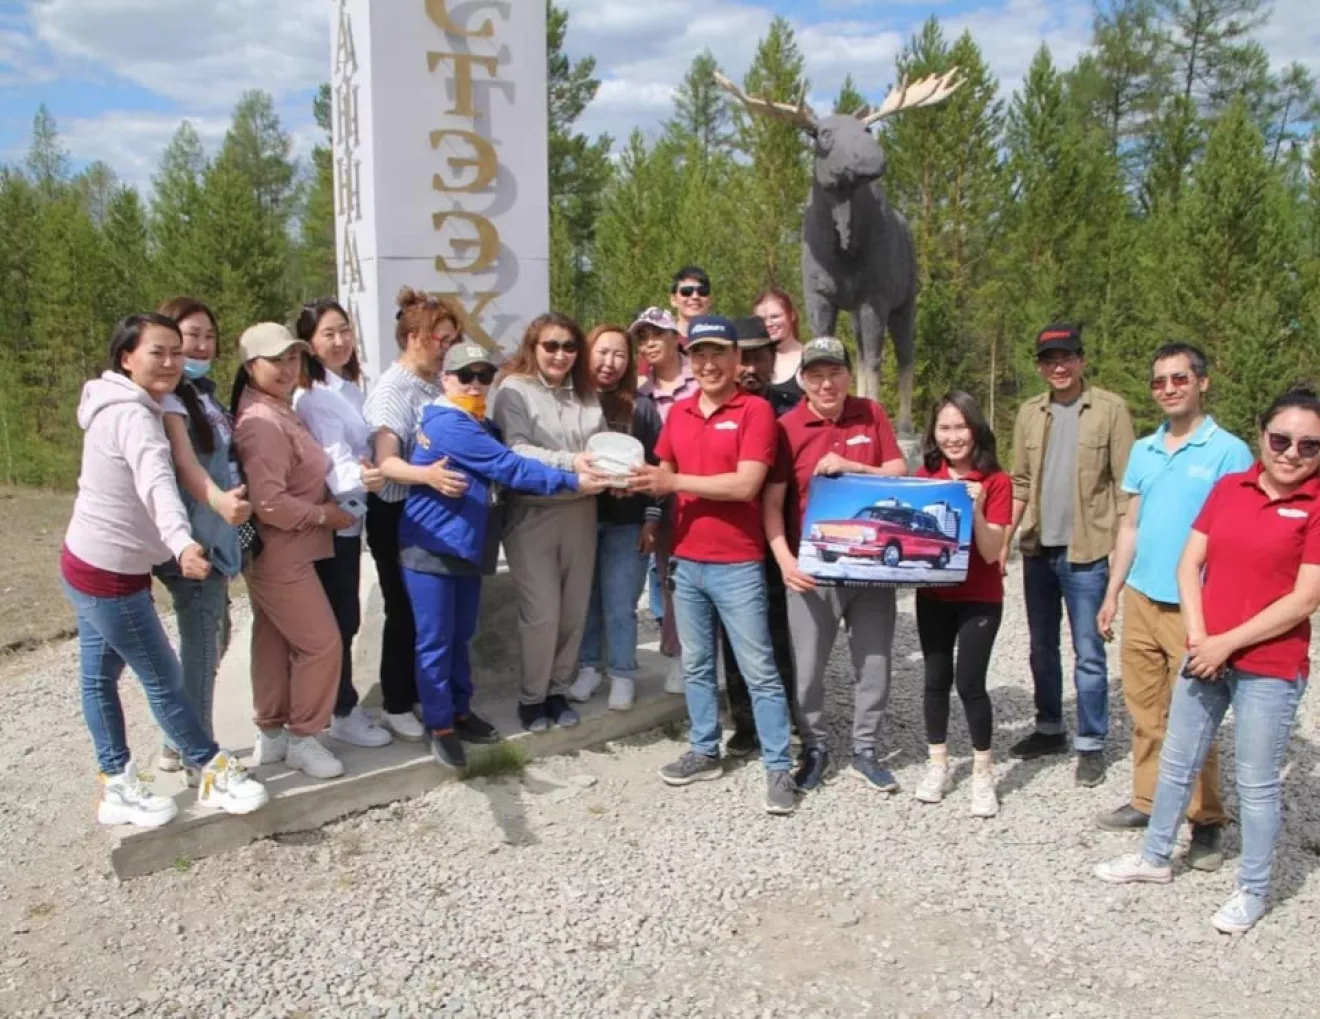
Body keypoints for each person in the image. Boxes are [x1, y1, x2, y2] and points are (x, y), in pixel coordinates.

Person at [1095, 387, 1320, 934]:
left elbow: (1304, 599)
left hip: (1269, 664)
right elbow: (1189, 562)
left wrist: (1226, 643)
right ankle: (1155, 857)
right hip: (1205, 650)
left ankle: (1253, 889)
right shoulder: (1230, 487)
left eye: (1309, 445)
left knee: (1257, 783)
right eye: (1281, 439)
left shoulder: (1316, 506)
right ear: (1263, 435)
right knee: (1178, 760)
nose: (1292, 453)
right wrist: (1199, 636)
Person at [62, 313, 268, 827]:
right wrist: (182, 544)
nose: (172, 361)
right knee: (163, 678)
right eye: (159, 351)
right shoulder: (133, 416)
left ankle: (116, 783)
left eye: (177, 351)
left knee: (99, 677)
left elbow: (181, 471)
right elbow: (158, 484)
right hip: (107, 571)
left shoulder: (147, 403)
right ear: (126, 357)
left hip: (92, 560)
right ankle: (211, 770)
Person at [402, 343, 603, 769]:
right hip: (432, 547)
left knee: (460, 636)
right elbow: (510, 467)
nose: (475, 384)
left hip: (465, 546)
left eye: (484, 376)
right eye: (465, 376)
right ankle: (439, 725)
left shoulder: (478, 422)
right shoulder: (450, 423)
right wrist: (573, 480)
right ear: (445, 379)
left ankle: (459, 711)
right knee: (436, 643)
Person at [632, 315, 797, 815]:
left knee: (759, 670)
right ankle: (704, 749)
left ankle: (779, 766)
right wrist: (634, 481)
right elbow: (662, 471)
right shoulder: (680, 413)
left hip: (738, 563)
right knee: (698, 665)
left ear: (735, 357)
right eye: (699, 354)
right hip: (686, 560)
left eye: (717, 353)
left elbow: (746, 485)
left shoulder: (755, 412)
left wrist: (673, 484)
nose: (708, 364)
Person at [1093, 343, 1252, 863]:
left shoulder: (1229, 452)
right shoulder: (1144, 450)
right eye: (1159, 381)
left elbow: (1239, 537)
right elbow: (1131, 527)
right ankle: (1147, 798)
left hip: (1195, 606)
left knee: (1196, 716)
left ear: (1202, 382)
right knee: (1144, 708)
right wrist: (1113, 592)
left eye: (1179, 379)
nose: (1168, 389)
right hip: (1141, 597)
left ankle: (1206, 819)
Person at [763, 337, 908, 792]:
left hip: (871, 567)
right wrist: (785, 560)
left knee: (874, 661)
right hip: (813, 567)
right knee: (807, 667)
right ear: (802, 380)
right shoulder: (786, 427)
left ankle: (866, 749)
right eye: (816, 375)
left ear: (848, 375)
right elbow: (772, 505)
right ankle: (815, 747)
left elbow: (899, 471)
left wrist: (853, 466)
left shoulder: (871, 413)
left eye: (835, 373)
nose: (827, 384)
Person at [1003, 323, 1134, 787]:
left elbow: (1126, 489)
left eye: (1066, 357)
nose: (1058, 366)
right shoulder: (1029, 413)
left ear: (1081, 360)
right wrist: (1003, 544)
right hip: (1038, 550)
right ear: (1040, 366)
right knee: (1042, 647)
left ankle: (1091, 743)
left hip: (1088, 552)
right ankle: (1049, 728)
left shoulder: (1111, 410)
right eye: (1049, 359)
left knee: (1089, 652)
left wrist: (1123, 558)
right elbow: (1020, 482)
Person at [232, 322, 353, 780]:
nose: (287, 368)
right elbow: (270, 504)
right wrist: (326, 515)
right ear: (250, 367)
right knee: (322, 644)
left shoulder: (275, 407)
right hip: (283, 553)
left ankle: (273, 731)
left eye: (293, 358)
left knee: (273, 639)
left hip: (285, 551)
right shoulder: (262, 423)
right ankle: (305, 736)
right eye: (275, 360)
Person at [491, 312, 608, 732]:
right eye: (551, 346)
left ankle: (558, 690)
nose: (560, 354)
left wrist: (618, 471)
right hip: (532, 513)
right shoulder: (513, 390)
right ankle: (532, 697)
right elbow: (517, 451)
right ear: (533, 347)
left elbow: (602, 445)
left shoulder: (586, 394)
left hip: (582, 511)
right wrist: (571, 462)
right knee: (542, 613)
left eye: (569, 346)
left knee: (573, 610)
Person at [363, 288, 470, 742]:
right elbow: (386, 462)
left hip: (430, 514)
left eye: (451, 340)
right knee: (405, 609)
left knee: (434, 616)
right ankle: (396, 701)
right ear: (412, 338)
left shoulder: (435, 383)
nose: (446, 348)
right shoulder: (394, 390)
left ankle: (428, 694)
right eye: (439, 340)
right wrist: (428, 476)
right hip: (396, 512)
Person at [152, 296, 250, 780]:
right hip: (193, 541)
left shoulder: (203, 395)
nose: (202, 346)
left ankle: (177, 741)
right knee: (203, 646)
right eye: (192, 336)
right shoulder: (168, 401)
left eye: (209, 337)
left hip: (219, 534)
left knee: (215, 637)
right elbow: (184, 472)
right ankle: (199, 755)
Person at [293, 298, 393, 750]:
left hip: (351, 517)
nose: (339, 341)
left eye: (344, 331)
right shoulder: (314, 397)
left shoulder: (348, 386)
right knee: (339, 618)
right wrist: (369, 473)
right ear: (309, 344)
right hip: (331, 518)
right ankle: (339, 710)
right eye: (328, 334)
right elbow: (333, 462)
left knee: (344, 614)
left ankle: (336, 705)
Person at [913, 392, 1012, 816]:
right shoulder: (925, 476)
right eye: (945, 428)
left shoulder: (997, 481)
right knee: (935, 678)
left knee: (970, 683)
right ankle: (937, 763)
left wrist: (976, 508)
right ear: (934, 433)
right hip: (934, 594)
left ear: (975, 430)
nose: (953, 437)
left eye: (961, 427)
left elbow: (991, 552)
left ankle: (982, 771)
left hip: (979, 597)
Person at [570, 324, 664, 712]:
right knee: (586, 600)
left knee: (620, 603)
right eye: (602, 352)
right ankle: (588, 667)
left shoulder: (642, 408)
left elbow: (661, 466)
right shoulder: (572, 403)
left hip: (628, 522)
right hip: (579, 518)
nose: (610, 362)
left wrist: (652, 519)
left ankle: (623, 672)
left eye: (619, 354)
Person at [721, 316, 801, 756]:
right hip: (733, 539)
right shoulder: (719, 409)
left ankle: (793, 715)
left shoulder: (792, 409)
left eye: (760, 357)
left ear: (774, 359)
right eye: (744, 358)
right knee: (734, 636)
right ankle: (745, 722)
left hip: (782, 540)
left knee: (782, 632)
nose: (751, 368)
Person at [634, 306, 696, 690]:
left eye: (657, 334)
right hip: (664, 499)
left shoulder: (701, 379)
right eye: (643, 337)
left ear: (676, 337)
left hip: (708, 492)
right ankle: (678, 654)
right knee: (670, 580)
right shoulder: (641, 394)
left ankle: (712, 654)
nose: (650, 343)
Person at [755, 287, 805, 397]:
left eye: (775, 317)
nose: (768, 324)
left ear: (792, 315)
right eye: (762, 319)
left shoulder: (808, 357)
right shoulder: (750, 362)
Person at [668, 265, 713, 340]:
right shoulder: (665, 340)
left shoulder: (724, 339)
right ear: (673, 300)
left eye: (702, 291)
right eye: (686, 291)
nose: (695, 296)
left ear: (710, 300)